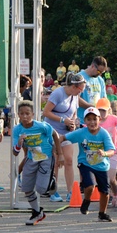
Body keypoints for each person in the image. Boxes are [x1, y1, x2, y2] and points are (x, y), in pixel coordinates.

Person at [62, 106, 116, 222]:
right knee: (90, 185)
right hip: (85, 163)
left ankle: (102, 213)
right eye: (89, 119)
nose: (92, 122)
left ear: (99, 120)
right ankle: (86, 200)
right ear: (85, 121)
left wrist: (105, 153)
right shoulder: (81, 132)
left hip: (101, 165)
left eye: (94, 119)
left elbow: (112, 150)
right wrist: (55, 148)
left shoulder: (104, 134)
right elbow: (63, 138)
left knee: (105, 192)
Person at [42, 72, 87, 203]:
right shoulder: (58, 93)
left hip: (66, 132)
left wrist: (73, 123)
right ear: (74, 86)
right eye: (80, 89)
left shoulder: (75, 96)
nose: (81, 93)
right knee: (56, 161)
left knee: (68, 160)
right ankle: (53, 192)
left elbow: (73, 114)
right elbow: (46, 112)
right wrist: (63, 120)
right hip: (53, 131)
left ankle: (70, 192)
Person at [12, 100, 58, 226]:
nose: (25, 116)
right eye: (22, 114)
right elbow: (15, 152)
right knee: (26, 188)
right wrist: (20, 143)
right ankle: (37, 212)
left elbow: (55, 134)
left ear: (33, 114)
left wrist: (58, 153)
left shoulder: (41, 126)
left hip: (46, 157)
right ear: (18, 115)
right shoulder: (17, 130)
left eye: (27, 113)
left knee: (41, 189)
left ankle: (51, 180)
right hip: (32, 158)